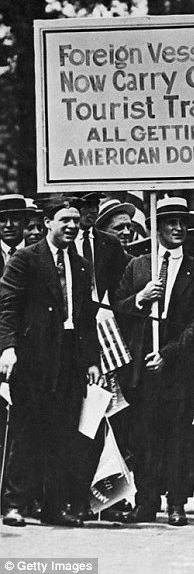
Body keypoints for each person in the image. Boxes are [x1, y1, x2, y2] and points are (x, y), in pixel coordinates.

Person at [0, 196, 99, 527]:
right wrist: (8, 348)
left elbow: (87, 318)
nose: (72, 225)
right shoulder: (26, 260)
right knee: (27, 430)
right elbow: (8, 307)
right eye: (64, 220)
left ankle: (54, 507)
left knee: (63, 432)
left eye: (75, 220)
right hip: (34, 356)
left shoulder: (82, 266)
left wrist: (90, 361)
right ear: (47, 224)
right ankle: (14, 503)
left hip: (69, 357)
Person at [114, 197, 194, 526]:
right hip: (141, 369)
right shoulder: (138, 266)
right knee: (143, 437)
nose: (177, 228)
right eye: (170, 222)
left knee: (177, 438)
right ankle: (146, 501)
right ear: (158, 227)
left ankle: (176, 503)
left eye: (182, 222)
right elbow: (119, 309)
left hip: (176, 367)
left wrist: (168, 353)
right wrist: (141, 298)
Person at [0, 195, 28, 277]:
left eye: (15, 219)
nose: (9, 225)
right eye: (2, 220)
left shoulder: (40, 253)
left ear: (25, 222)